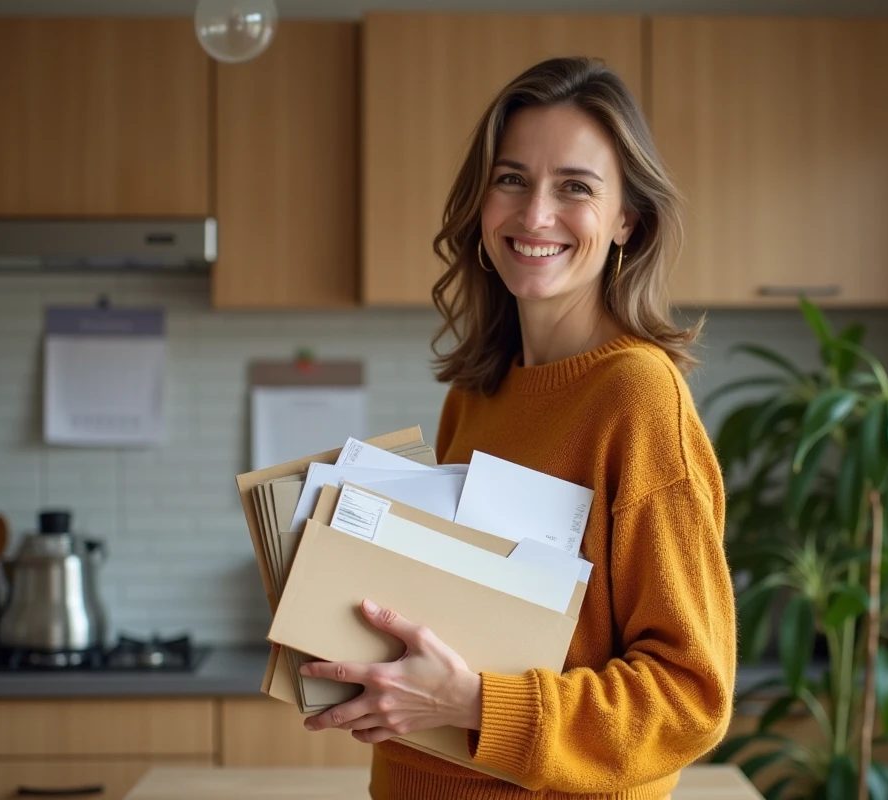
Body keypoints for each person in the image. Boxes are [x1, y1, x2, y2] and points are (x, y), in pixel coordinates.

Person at [299, 56, 737, 800]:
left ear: (626, 218)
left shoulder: (637, 397)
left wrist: (475, 703)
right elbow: (459, 630)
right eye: (511, 179)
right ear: (481, 202)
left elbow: (690, 696)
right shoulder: (479, 392)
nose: (536, 215)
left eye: (575, 187)